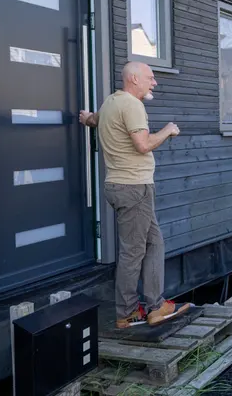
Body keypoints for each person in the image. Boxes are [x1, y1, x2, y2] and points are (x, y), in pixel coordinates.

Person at [79, 61, 189, 328]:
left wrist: (87, 118)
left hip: (123, 187)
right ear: (134, 80)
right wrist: (168, 130)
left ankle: (155, 305)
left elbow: (96, 120)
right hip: (133, 188)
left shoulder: (111, 103)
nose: (155, 82)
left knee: (154, 243)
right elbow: (142, 144)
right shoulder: (132, 105)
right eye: (150, 78)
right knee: (133, 252)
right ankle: (127, 312)